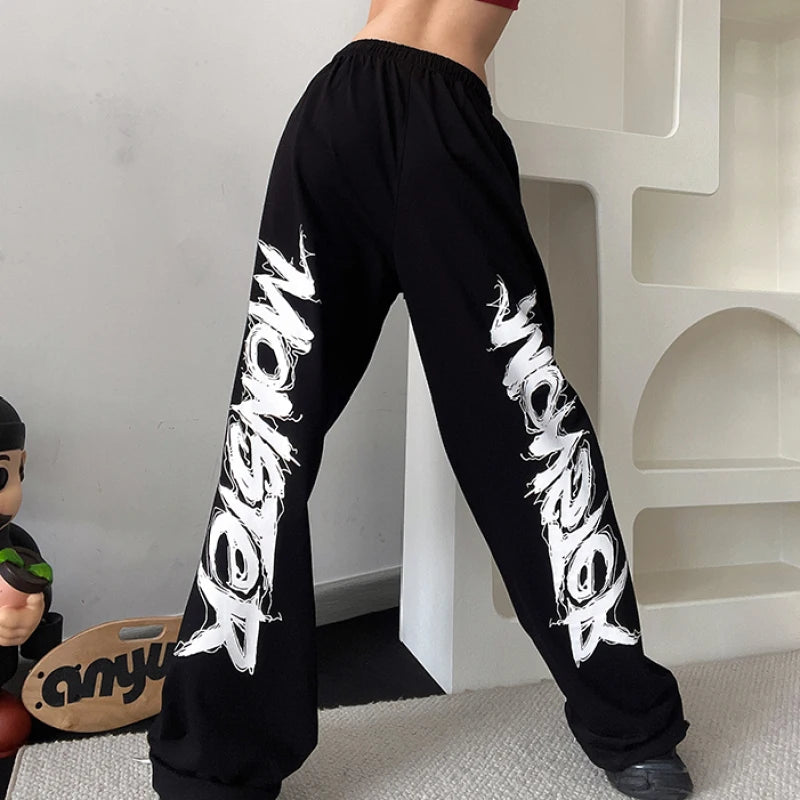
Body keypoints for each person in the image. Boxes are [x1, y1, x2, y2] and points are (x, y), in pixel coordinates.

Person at [146, 2, 694, 798]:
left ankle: (627, 718)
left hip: (392, 121)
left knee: (523, 426)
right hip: (388, 119)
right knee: (276, 426)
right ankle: (214, 755)